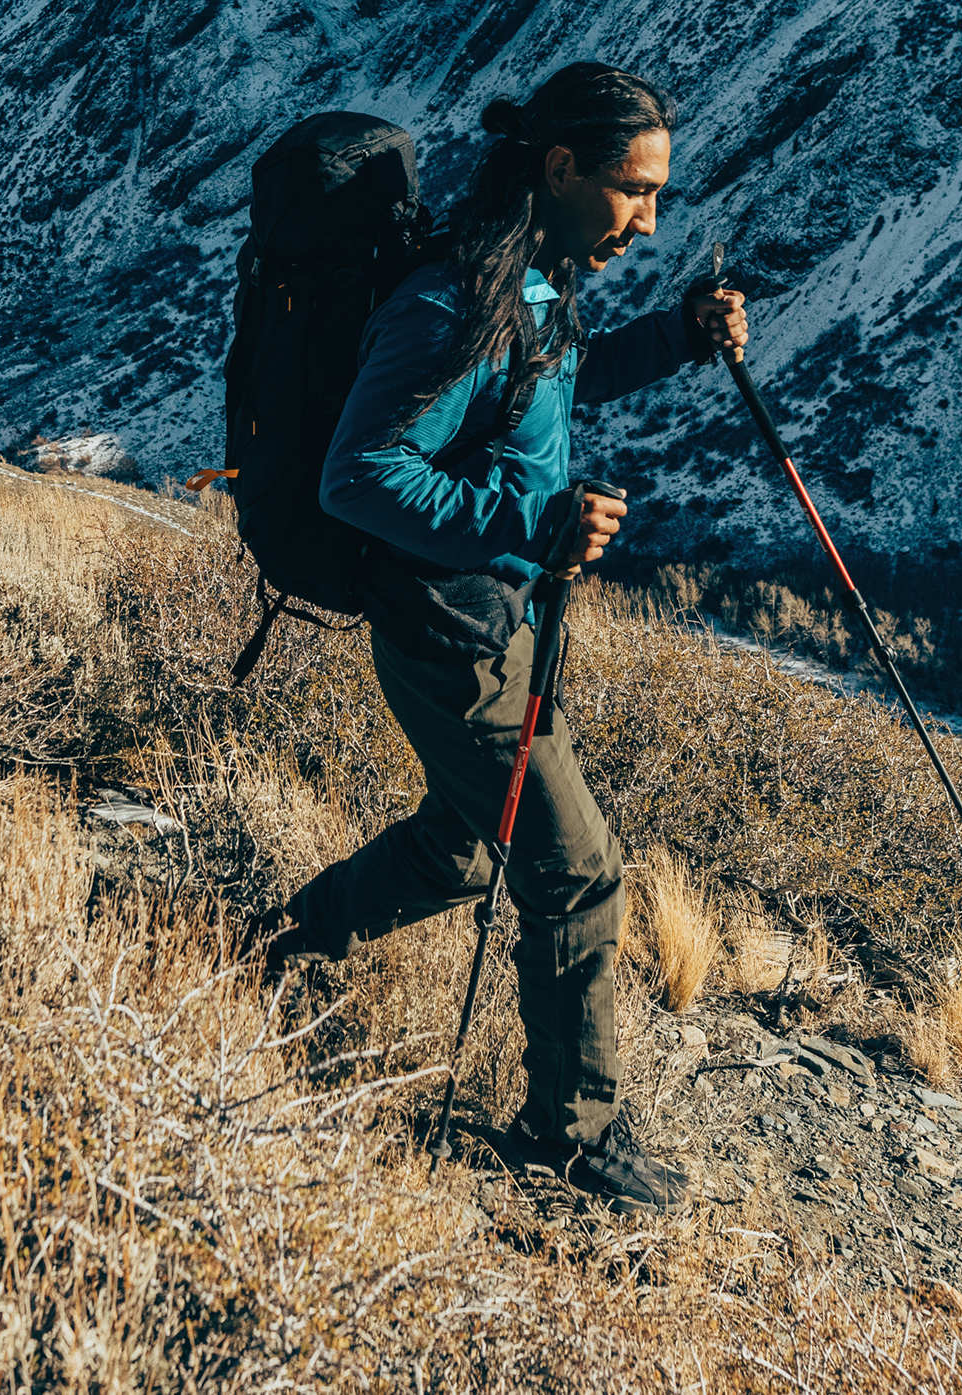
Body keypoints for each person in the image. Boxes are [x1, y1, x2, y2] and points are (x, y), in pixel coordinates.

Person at [258, 63, 748, 1215]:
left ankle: (289, 939)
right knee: (576, 874)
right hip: (449, 638)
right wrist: (531, 523)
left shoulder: (532, 282)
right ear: (562, 167)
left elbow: (551, 385)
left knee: (471, 843)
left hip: (498, 623)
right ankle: (569, 1137)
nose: (648, 221)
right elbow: (357, 476)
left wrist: (677, 339)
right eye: (635, 190)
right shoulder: (455, 301)